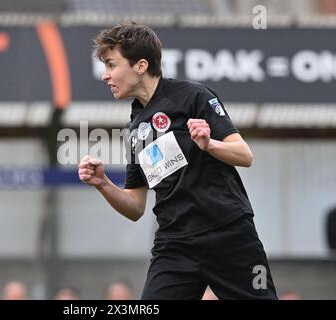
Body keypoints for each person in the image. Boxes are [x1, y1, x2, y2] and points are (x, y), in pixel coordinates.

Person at [78, 22, 277, 300]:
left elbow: (244, 155)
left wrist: (210, 145)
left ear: (140, 65)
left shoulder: (193, 96)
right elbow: (136, 207)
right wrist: (103, 183)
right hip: (174, 245)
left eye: (111, 65)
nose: (105, 75)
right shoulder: (135, 129)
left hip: (228, 235)